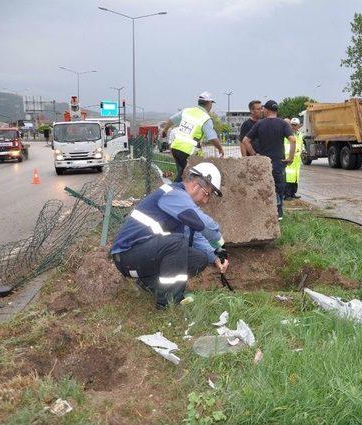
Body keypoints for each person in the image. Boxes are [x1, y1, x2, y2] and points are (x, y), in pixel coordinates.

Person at [110, 162, 229, 309]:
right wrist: (219, 242)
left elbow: (196, 235)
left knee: (199, 259)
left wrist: (215, 256)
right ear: (195, 185)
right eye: (207, 194)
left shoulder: (181, 205)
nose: (206, 201)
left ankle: (149, 283)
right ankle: (168, 301)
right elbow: (203, 224)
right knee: (178, 243)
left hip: (142, 257)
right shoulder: (173, 194)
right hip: (126, 256)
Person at [241, 100, 296, 220]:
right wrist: (290, 158)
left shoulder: (260, 124)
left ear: (267, 110)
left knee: (263, 187)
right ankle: (278, 211)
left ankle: (262, 213)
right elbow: (293, 140)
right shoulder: (283, 124)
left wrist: (254, 155)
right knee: (278, 187)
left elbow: (245, 141)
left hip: (264, 164)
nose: (262, 111)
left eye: (263, 109)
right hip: (278, 163)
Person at [162, 92, 225, 183]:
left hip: (176, 147)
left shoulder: (187, 111)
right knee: (189, 177)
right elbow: (212, 137)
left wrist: (165, 130)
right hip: (188, 151)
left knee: (182, 174)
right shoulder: (206, 118)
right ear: (209, 103)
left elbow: (171, 120)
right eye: (211, 103)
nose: (211, 106)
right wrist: (220, 148)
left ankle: (177, 192)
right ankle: (172, 192)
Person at [284, 117, 304, 199]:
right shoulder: (287, 134)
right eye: (292, 125)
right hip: (289, 158)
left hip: (297, 160)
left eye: (295, 125)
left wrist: (303, 151)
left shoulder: (300, 135)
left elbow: (301, 145)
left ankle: (293, 193)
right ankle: (287, 195)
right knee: (288, 177)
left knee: (295, 177)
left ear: (298, 126)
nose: (294, 126)